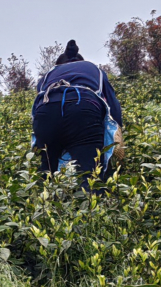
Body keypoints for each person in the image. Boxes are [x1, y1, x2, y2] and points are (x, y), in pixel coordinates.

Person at [31, 40, 123, 182]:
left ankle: (47, 199)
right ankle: (90, 198)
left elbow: (39, 103)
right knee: (89, 174)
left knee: (48, 172)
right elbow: (113, 107)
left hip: (46, 114)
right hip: (83, 109)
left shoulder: (49, 75)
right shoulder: (94, 69)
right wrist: (118, 136)